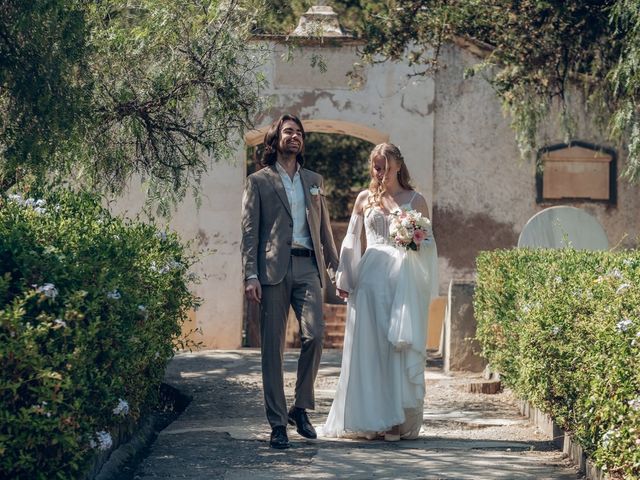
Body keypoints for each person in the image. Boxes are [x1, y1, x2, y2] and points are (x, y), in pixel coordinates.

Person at [323, 143, 438, 441]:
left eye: (385, 165)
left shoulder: (417, 200)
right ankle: (371, 416)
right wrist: (344, 278)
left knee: (396, 348)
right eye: (376, 165)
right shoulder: (364, 198)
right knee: (370, 348)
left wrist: (413, 241)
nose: (380, 171)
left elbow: (429, 245)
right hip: (371, 279)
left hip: (403, 280)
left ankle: (396, 420)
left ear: (399, 165)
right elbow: (351, 241)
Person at [241, 114, 340, 449]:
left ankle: (300, 408)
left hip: (308, 267)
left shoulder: (313, 179)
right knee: (272, 349)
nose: (294, 136)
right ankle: (277, 423)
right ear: (276, 139)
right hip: (272, 271)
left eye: (299, 132)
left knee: (315, 336)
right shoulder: (259, 181)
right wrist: (250, 274)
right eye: (288, 132)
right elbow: (249, 232)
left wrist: (335, 268)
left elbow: (324, 229)